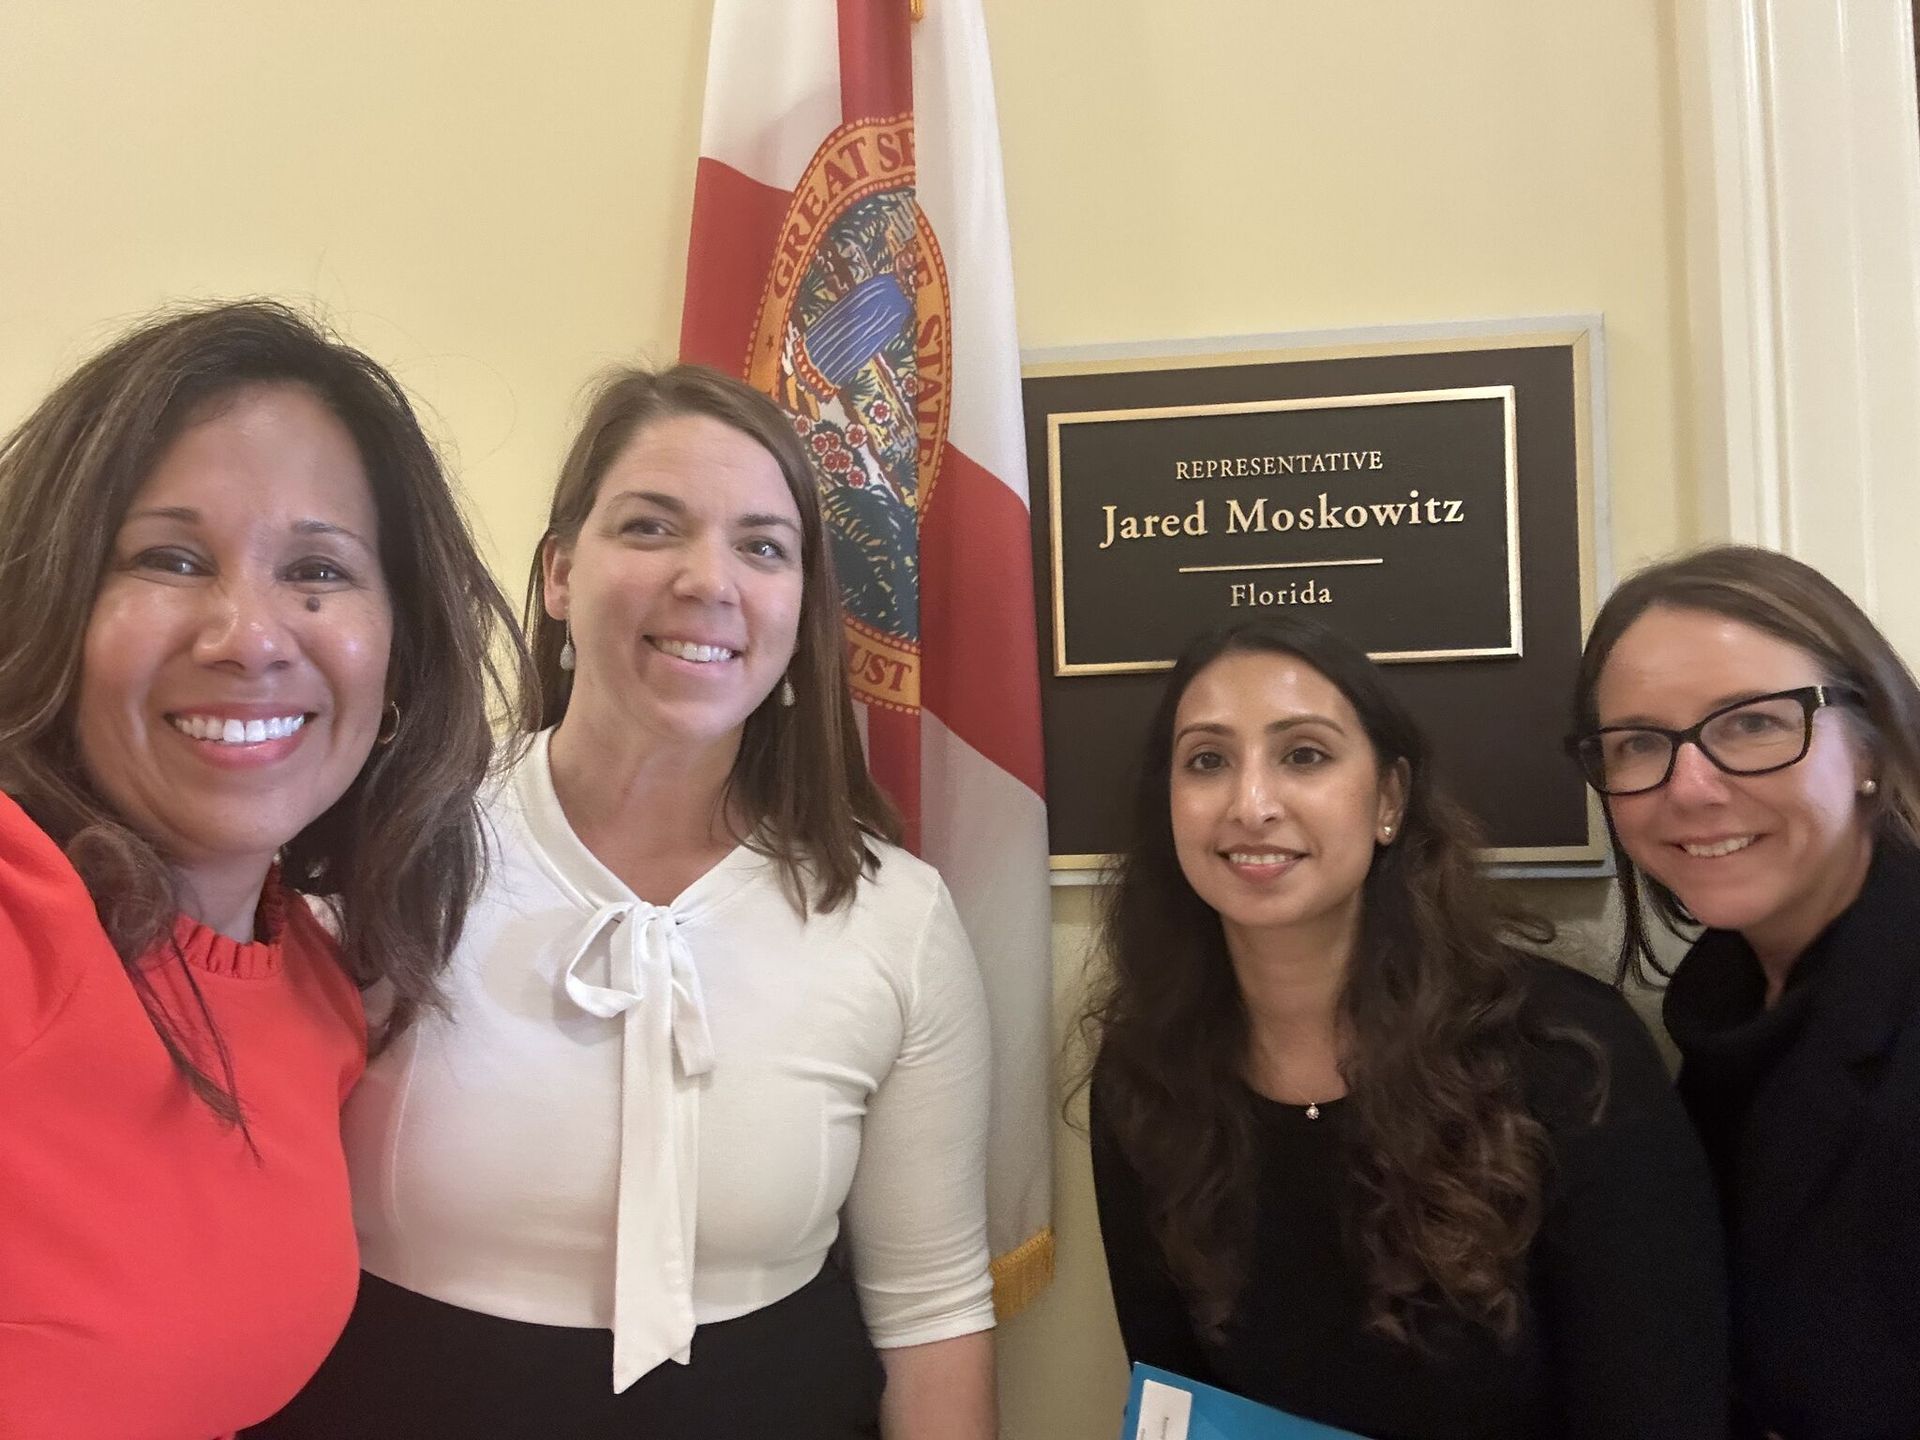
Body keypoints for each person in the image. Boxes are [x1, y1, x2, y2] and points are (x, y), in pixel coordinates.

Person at [255, 366, 996, 1440]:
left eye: (762, 545)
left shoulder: (895, 919)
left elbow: (933, 1315)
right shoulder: (383, 852)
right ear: (560, 572)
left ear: (803, 604)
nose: (710, 580)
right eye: (652, 528)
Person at [0, 300, 525, 1439]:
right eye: (169, 558)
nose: (248, 634)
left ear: (398, 659)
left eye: (318, 572)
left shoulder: (322, 991)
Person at [1082, 617, 1728, 1440]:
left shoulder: (1568, 1056)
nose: (1250, 804)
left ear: (1389, 799)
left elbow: (1661, 1406)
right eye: (1207, 761)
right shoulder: (1146, 1076)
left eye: (1304, 755)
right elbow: (1174, 1405)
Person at [1569, 544, 1920, 1439]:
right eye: (1640, 743)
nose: (1690, 787)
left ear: (1870, 741)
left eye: (1753, 724)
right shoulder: (1723, 1014)